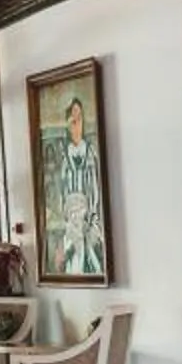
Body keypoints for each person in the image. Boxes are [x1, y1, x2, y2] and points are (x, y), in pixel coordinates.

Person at [46, 96, 106, 278]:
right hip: (70, 213)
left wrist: (92, 213)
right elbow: (61, 187)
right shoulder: (64, 154)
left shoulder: (90, 152)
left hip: (87, 211)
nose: (76, 123)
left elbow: (94, 185)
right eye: (73, 118)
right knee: (71, 251)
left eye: (79, 118)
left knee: (89, 250)